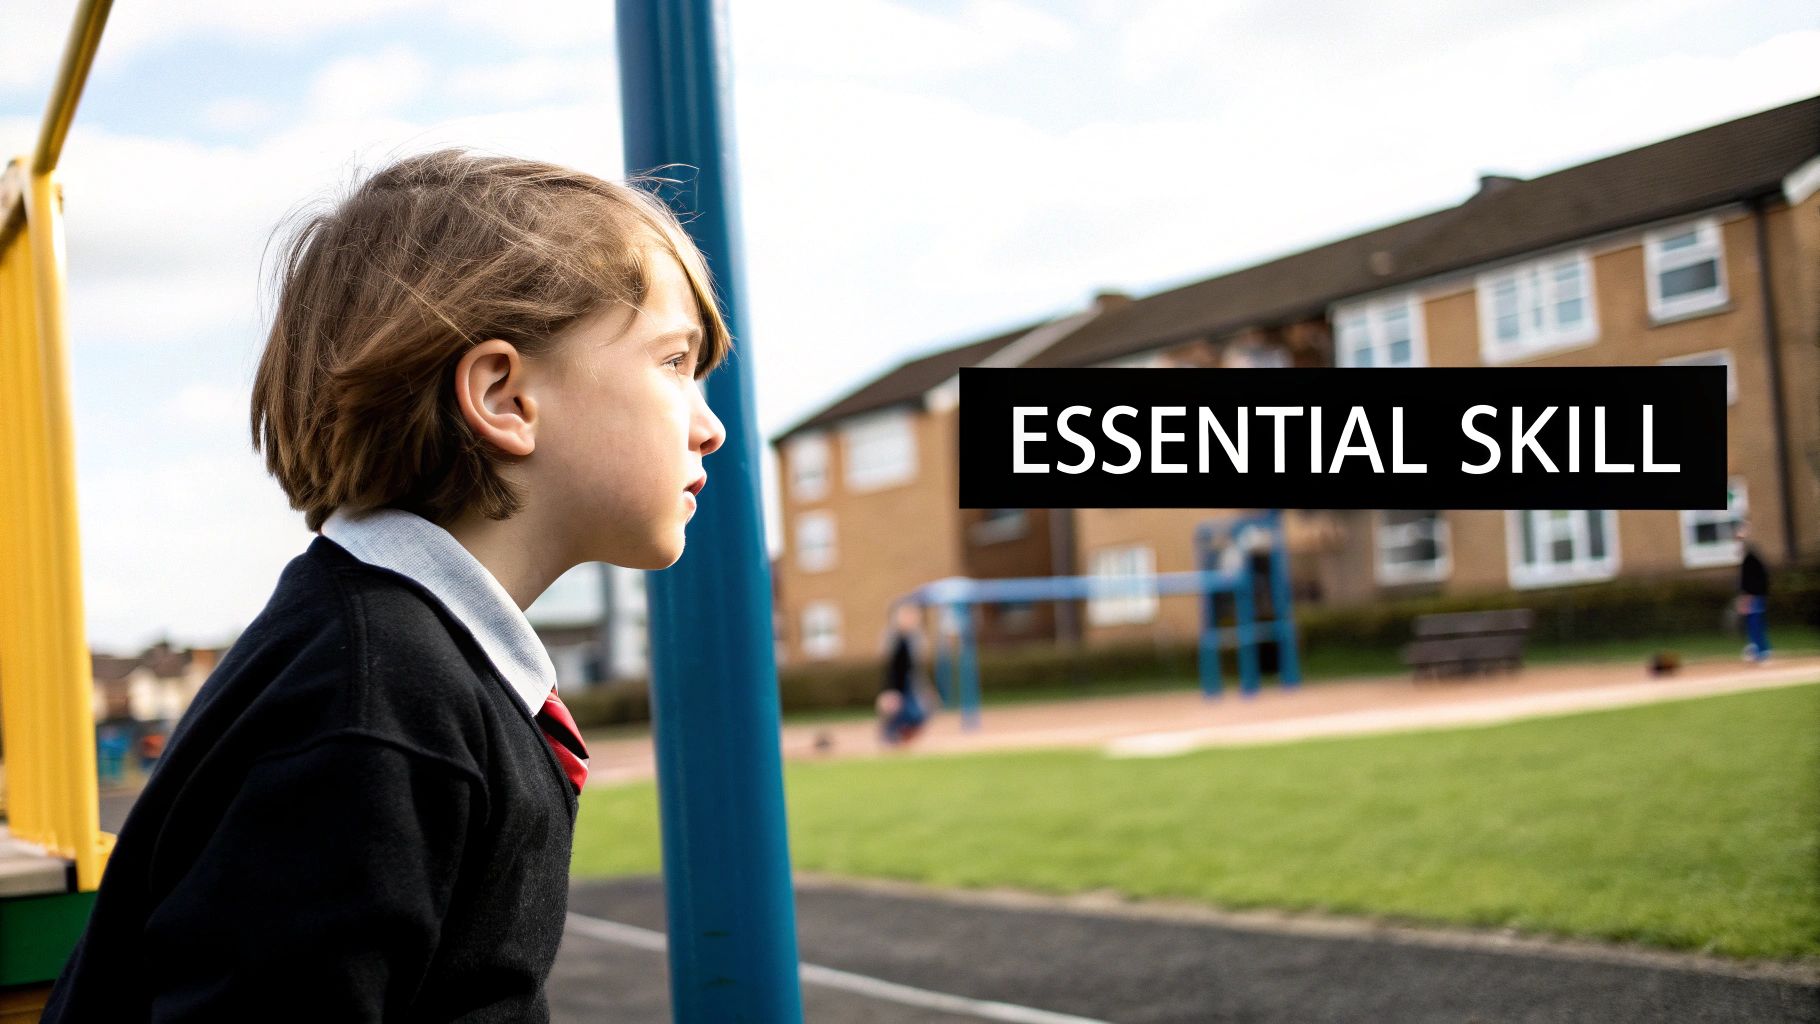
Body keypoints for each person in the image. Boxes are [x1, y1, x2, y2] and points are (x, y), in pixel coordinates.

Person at [43, 150, 728, 1022]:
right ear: (504, 397)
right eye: (674, 363)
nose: (708, 427)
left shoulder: (417, 665)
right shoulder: (376, 702)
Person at [879, 603, 930, 746]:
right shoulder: (895, 640)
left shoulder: (912, 639)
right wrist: (889, 690)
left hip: (910, 684)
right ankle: (891, 736)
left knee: (918, 713)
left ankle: (899, 736)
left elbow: (916, 668)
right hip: (899, 685)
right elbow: (891, 668)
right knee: (904, 711)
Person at [1737, 519, 1770, 663]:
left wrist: (1747, 596)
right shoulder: (1750, 560)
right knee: (1754, 623)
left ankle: (1760, 650)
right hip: (1755, 595)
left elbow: (1751, 581)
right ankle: (1761, 649)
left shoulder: (1750, 560)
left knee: (1754, 623)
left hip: (1754, 596)